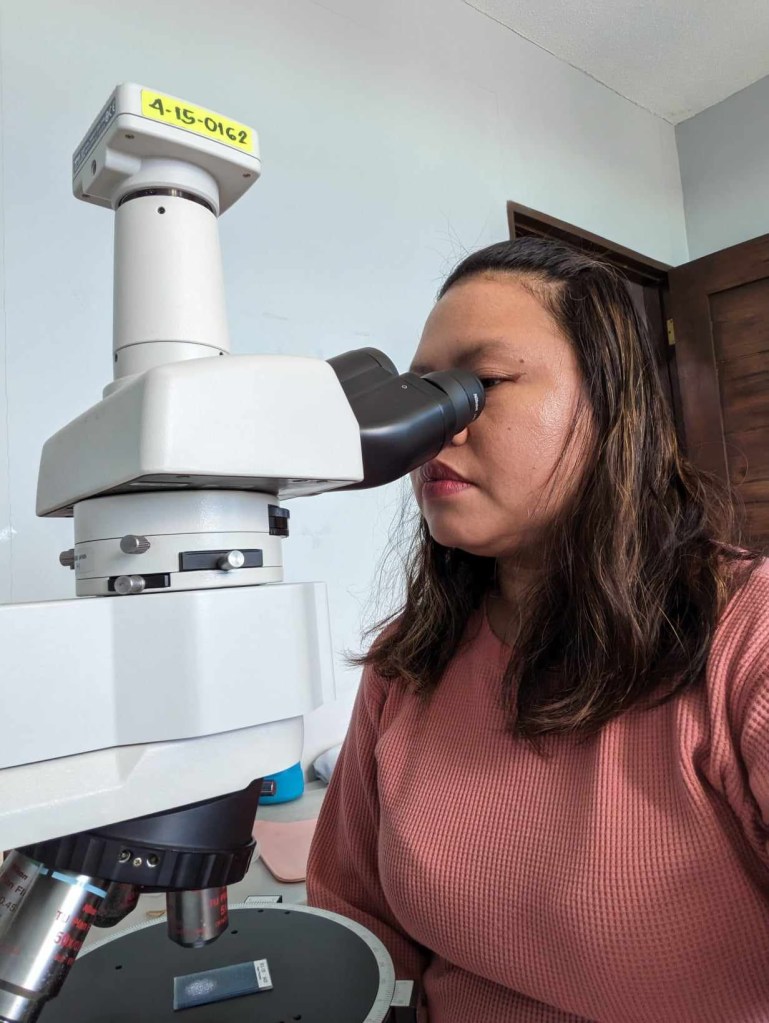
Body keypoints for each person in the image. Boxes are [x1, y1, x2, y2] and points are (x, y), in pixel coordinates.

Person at [306, 237, 769, 1022]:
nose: (431, 429)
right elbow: (355, 923)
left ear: (609, 406)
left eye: (479, 383)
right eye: (421, 392)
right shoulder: (405, 661)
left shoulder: (745, 638)